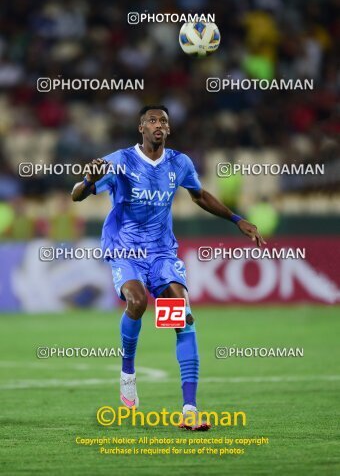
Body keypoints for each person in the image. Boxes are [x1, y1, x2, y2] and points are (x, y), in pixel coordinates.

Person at [71, 105, 265, 430]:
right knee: (137, 301)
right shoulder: (120, 161)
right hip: (125, 250)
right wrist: (89, 180)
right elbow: (77, 195)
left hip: (161, 254)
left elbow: (199, 195)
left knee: (181, 317)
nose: (158, 124)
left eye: (163, 120)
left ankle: (189, 409)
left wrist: (236, 219)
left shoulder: (179, 163)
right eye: (152, 120)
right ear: (141, 128)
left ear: (168, 129)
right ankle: (128, 374)